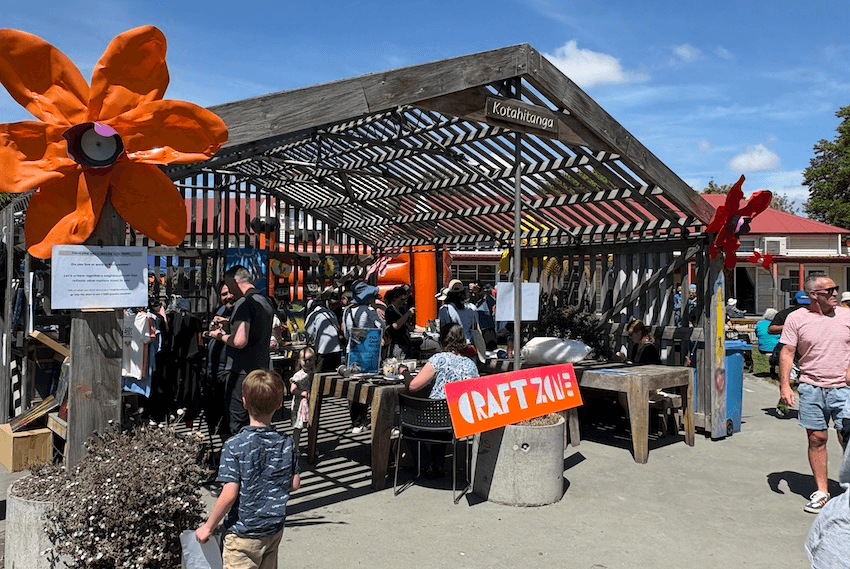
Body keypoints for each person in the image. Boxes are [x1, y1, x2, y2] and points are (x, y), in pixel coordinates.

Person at [195, 369, 301, 568]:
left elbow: (230, 493)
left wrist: (208, 526)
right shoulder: (287, 443)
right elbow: (294, 484)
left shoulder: (234, 445)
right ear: (278, 404)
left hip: (243, 535)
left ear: (244, 402)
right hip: (273, 530)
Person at [779, 275, 850, 514]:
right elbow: (788, 352)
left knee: (847, 439)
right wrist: (785, 386)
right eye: (829, 290)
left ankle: (848, 490)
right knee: (816, 439)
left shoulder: (846, 315)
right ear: (813, 295)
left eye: (836, 289)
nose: (835, 294)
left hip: (845, 388)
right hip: (811, 387)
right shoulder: (796, 319)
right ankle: (822, 491)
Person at [401, 324, 478, 478]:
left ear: (443, 339)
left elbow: (413, 386)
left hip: (436, 421)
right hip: (459, 422)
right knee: (443, 415)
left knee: (407, 425)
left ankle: (426, 465)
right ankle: (438, 465)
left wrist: (405, 372)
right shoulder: (471, 365)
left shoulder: (439, 359)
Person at [209, 265, 276, 435]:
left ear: (235, 281)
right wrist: (229, 324)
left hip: (241, 374)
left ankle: (242, 459)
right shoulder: (265, 301)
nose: (230, 293)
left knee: (238, 425)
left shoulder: (243, 303)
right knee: (259, 421)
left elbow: (239, 341)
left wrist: (218, 335)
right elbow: (254, 331)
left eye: (229, 286)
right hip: (261, 371)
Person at [342, 280, 385, 433]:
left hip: (352, 351)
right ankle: (366, 416)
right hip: (368, 351)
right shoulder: (369, 310)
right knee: (369, 384)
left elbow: (347, 333)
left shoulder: (347, 311)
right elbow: (381, 327)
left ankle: (356, 422)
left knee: (353, 387)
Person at [204, 281, 235, 445]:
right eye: (224, 294)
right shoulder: (220, 309)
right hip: (212, 371)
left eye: (230, 293)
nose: (228, 297)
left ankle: (231, 449)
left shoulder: (239, 312)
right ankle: (225, 447)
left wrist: (227, 325)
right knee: (216, 415)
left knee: (229, 416)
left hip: (228, 371)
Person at [438, 279, 479, 359]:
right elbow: (475, 328)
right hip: (468, 347)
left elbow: (442, 329)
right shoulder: (472, 308)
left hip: (452, 348)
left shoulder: (445, 310)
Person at [303, 298, 343, 373]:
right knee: (335, 372)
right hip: (337, 348)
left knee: (321, 373)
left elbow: (309, 332)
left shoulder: (313, 315)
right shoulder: (330, 312)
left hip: (323, 350)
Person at [289, 347, 316, 454]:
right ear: (300, 361)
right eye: (305, 360)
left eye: (310, 360)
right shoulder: (298, 375)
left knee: (311, 426)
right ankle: (295, 447)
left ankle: (312, 446)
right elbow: (293, 389)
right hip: (300, 405)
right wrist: (303, 393)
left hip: (310, 404)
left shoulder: (314, 374)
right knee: (298, 427)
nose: (307, 362)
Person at [384, 285, 415, 359]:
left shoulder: (401, 309)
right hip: (395, 343)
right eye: (401, 299)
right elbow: (395, 326)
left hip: (404, 341)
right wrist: (407, 314)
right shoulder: (390, 310)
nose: (403, 302)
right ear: (395, 298)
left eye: (405, 300)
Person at [470, 282, 498, 350]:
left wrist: (483, 292)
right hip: (477, 329)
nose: (475, 293)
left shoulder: (487, 298)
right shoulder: (472, 301)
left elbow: (493, 301)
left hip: (488, 329)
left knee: (491, 350)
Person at [754, 308, 780, 377]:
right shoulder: (777, 325)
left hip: (762, 347)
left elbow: (756, 334)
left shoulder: (759, 323)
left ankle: (772, 368)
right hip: (775, 347)